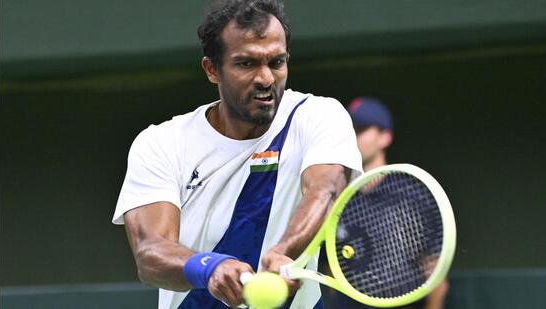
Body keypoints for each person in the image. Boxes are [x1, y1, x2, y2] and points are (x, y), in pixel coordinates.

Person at [111, 1, 363, 308]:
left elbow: (325, 190)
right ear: (212, 70)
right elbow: (150, 253)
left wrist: (284, 250)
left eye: (277, 62)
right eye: (247, 64)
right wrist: (209, 268)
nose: (266, 79)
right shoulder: (161, 143)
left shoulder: (318, 116)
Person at [337, 96, 449, 309]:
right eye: (348, 130)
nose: (353, 137)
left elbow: (436, 273)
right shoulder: (335, 197)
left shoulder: (412, 195)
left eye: (360, 129)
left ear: (385, 138)